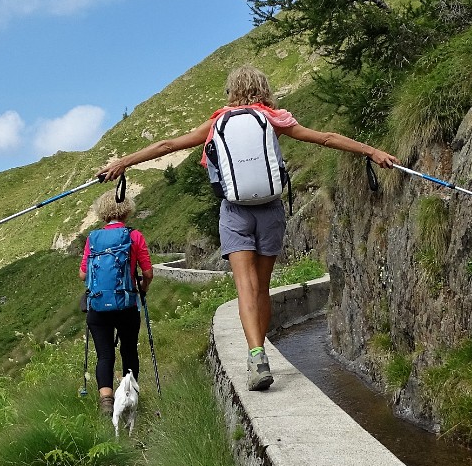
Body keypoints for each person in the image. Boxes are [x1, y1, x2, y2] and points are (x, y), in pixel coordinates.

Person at [101, 65, 398, 391]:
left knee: (245, 288)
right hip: (269, 211)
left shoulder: (217, 122)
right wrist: (372, 151)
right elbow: (325, 138)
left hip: (235, 212)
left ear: (232, 91)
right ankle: (260, 348)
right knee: (261, 287)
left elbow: (168, 145)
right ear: (263, 89)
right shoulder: (272, 118)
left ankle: (257, 357)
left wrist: (123, 162)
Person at [80, 190, 153, 416]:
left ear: (102, 212)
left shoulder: (93, 238)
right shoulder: (134, 236)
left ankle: (106, 401)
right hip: (127, 303)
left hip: (98, 306)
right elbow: (148, 272)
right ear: (126, 209)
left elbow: (83, 275)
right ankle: (129, 396)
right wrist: (142, 288)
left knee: (104, 355)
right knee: (129, 350)